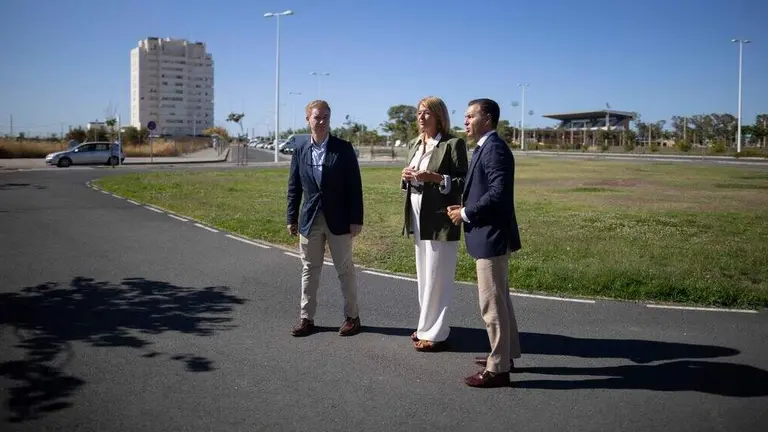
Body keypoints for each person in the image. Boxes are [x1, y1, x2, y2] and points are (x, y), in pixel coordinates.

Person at [447, 98, 522, 388]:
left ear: (487, 119)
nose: (465, 121)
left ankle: (499, 368)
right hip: (488, 234)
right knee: (500, 300)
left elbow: (498, 193)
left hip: (491, 235)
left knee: (491, 304)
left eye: (470, 116)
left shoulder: (494, 149)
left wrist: (466, 212)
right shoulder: (485, 147)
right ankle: (507, 354)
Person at [286, 99, 364, 337]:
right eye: (317, 117)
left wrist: (356, 219)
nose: (321, 122)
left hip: (339, 219)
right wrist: (291, 217)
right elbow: (294, 187)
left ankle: (352, 317)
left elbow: (354, 186)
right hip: (310, 219)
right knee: (310, 268)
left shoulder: (343, 148)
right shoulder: (300, 150)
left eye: (325, 117)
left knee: (345, 269)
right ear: (308, 119)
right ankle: (306, 319)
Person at [401, 96, 468, 352]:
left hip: (441, 218)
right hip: (417, 216)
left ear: (439, 116)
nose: (421, 117)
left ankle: (436, 333)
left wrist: (437, 178)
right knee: (423, 274)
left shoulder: (453, 144)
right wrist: (406, 177)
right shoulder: (415, 144)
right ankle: (424, 325)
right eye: (419, 112)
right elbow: (409, 182)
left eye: (426, 113)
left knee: (438, 275)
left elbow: (465, 181)